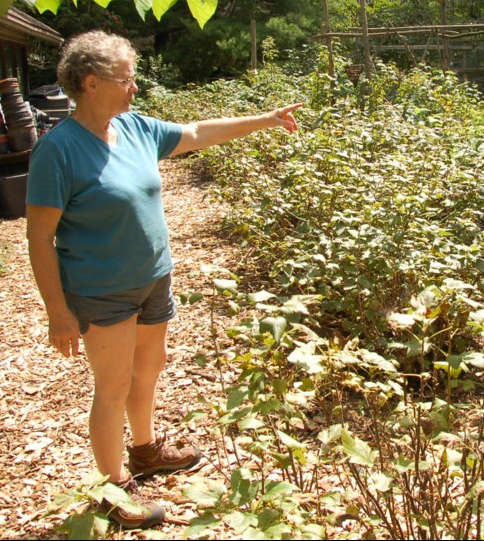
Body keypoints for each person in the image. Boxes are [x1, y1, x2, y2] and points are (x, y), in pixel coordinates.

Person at [26, 30, 301, 530]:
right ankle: (113, 490)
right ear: (91, 83)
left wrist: (266, 120)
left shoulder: (134, 128)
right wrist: (58, 312)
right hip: (101, 288)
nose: (134, 88)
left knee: (148, 368)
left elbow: (196, 132)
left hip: (153, 277)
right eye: (126, 79)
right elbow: (40, 236)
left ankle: (146, 450)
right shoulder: (58, 151)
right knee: (111, 388)